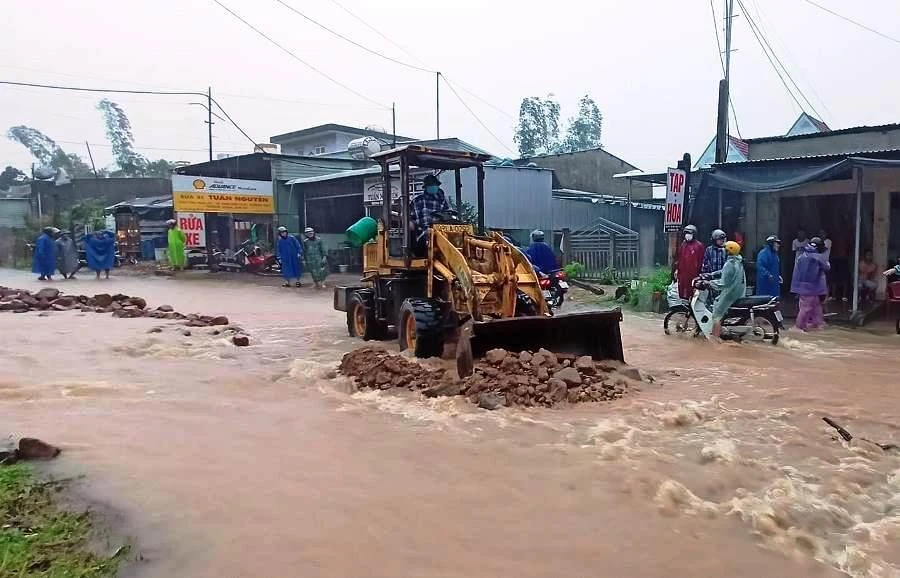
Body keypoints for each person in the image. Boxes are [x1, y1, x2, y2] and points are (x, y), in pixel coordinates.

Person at [791, 237, 830, 332]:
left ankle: (817, 323)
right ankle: (798, 327)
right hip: (811, 288)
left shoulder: (802, 256)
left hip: (803, 287)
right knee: (806, 308)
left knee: (815, 306)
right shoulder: (817, 257)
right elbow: (827, 266)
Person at [709, 240, 746, 341]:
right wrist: (712, 274)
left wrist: (709, 283)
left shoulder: (729, 264)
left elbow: (723, 283)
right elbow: (726, 273)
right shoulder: (737, 260)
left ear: (729, 251)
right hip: (739, 291)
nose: (724, 251)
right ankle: (722, 329)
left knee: (716, 314)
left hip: (730, 292)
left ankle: (715, 339)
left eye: (725, 250)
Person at [410, 174, 450, 255]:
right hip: (423, 235)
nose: (433, 187)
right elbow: (410, 219)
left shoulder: (443, 201)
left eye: (435, 185)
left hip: (442, 233)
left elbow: (449, 216)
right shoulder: (416, 201)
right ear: (426, 187)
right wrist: (411, 223)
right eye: (431, 185)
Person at [673, 224, 704, 301]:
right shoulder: (683, 244)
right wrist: (677, 270)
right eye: (686, 233)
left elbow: (701, 260)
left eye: (689, 233)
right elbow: (678, 258)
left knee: (692, 292)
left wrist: (700, 274)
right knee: (682, 292)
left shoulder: (699, 246)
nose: (687, 235)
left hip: (694, 273)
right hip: (683, 273)